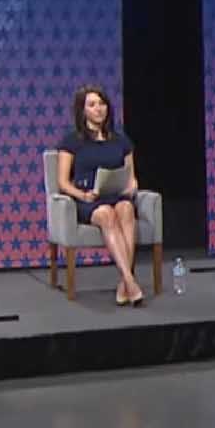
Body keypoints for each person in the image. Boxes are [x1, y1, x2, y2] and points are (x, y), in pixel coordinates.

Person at [57, 84, 147, 307]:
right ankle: (130, 281)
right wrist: (82, 195)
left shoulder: (121, 141)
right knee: (106, 214)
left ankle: (125, 283)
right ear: (82, 110)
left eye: (102, 103)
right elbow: (62, 182)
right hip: (88, 199)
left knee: (126, 209)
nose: (99, 109)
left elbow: (131, 177)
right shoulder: (72, 141)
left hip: (116, 195)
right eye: (92, 105)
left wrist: (131, 188)